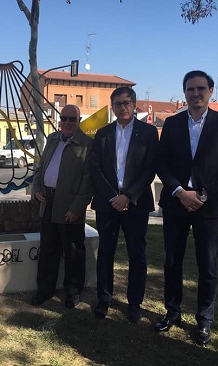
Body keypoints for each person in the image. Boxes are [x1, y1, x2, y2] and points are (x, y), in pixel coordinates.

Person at [155, 70, 218, 346]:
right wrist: (180, 192)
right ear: (184, 93)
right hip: (176, 203)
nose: (196, 93)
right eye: (190, 89)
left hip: (208, 205)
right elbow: (162, 163)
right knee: (172, 261)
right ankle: (172, 312)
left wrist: (203, 194)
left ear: (211, 91)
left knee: (208, 266)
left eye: (201, 88)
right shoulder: (172, 124)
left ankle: (204, 322)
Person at [90, 87, 159, 322]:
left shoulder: (149, 133)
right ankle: (104, 299)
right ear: (112, 107)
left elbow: (150, 169)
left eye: (127, 102)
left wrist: (128, 196)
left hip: (136, 204)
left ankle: (135, 304)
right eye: (118, 104)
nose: (123, 107)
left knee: (136, 255)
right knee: (106, 253)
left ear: (134, 103)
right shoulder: (103, 134)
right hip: (107, 203)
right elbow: (95, 168)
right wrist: (113, 197)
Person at [30, 104, 93, 308]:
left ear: (79, 120)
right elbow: (41, 167)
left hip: (69, 206)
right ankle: (44, 290)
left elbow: (88, 180)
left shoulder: (86, 144)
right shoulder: (53, 139)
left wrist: (76, 208)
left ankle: (73, 291)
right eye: (63, 118)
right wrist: (37, 187)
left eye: (71, 119)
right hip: (48, 202)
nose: (66, 122)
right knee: (48, 249)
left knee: (73, 250)